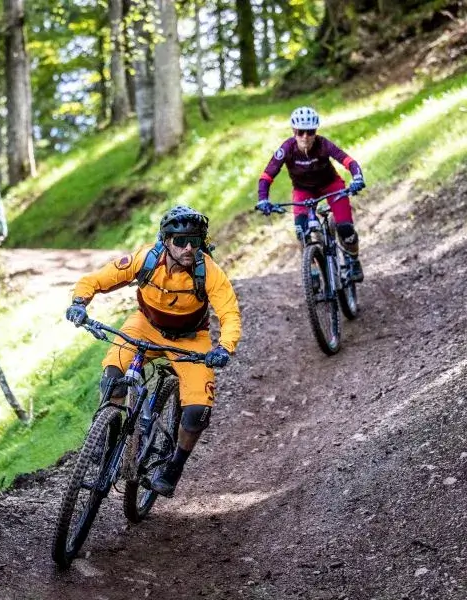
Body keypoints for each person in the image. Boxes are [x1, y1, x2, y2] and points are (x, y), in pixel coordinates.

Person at [65, 206, 241, 497]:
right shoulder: (146, 259)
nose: (188, 248)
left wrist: (224, 347)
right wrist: (79, 303)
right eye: (181, 241)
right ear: (166, 240)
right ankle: (106, 441)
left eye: (195, 241)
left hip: (189, 339)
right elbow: (96, 279)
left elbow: (230, 314)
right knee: (112, 379)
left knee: (197, 410)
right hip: (144, 326)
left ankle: (174, 467)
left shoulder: (208, 271)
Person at [256, 106, 366, 281]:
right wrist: (263, 199)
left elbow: (348, 161)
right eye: (300, 132)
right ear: (294, 131)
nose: (305, 137)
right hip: (303, 191)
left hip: (332, 186)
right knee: (302, 231)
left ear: (315, 131)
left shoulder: (323, 144)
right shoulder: (287, 148)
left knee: (345, 228)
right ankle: (312, 270)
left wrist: (357, 178)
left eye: (310, 131)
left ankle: (353, 261)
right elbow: (267, 176)